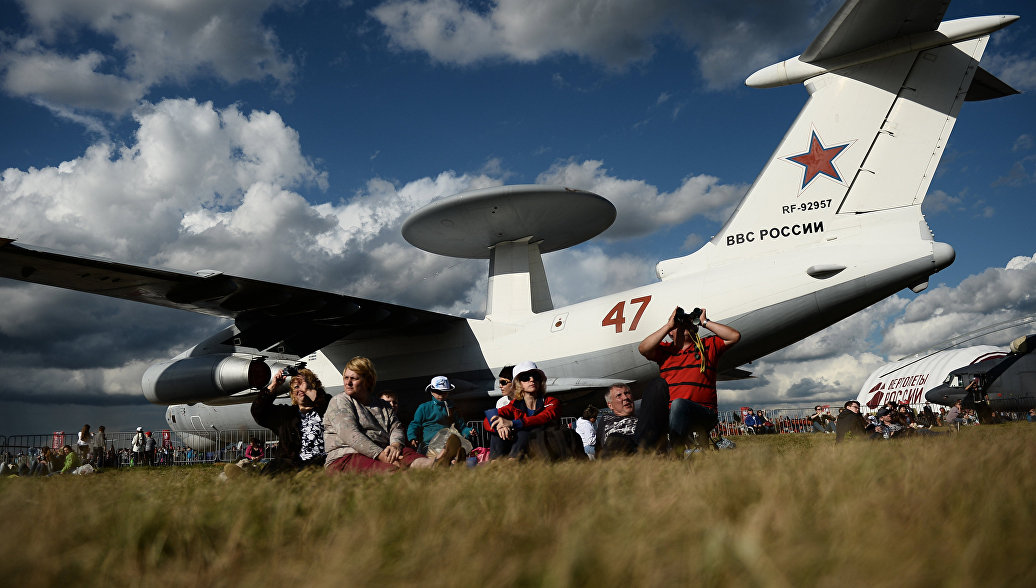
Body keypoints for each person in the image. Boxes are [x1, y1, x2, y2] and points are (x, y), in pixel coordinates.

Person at [324, 357, 455, 474]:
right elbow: (351, 435)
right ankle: (409, 474)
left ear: (368, 381)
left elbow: (396, 427)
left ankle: (436, 464)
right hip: (347, 455)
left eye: (354, 378)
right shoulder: (340, 401)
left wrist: (395, 445)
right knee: (390, 470)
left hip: (385, 450)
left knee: (410, 456)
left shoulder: (383, 405)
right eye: (346, 378)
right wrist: (381, 455)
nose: (348, 382)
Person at [637, 306, 740, 452]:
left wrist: (705, 322)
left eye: (687, 324)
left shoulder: (707, 347)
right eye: (679, 324)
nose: (683, 325)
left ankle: (675, 453)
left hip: (703, 414)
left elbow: (734, 336)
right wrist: (669, 325)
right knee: (651, 398)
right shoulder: (665, 351)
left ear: (695, 329)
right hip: (670, 415)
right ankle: (643, 452)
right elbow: (643, 348)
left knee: (679, 404)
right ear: (670, 334)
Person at [251, 367, 332, 475]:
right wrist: (274, 385)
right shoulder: (286, 414)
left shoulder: (326, 409)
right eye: (296, 387)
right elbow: (258, 411)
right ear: (292, 393)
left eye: (304, 384)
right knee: (274, 468)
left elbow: (327, 404)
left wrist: (308, 390)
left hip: (319, 463)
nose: (300, 389)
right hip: (289, 465)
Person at [482, 360, 560, 460]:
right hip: (524, 446)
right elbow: (488, 419)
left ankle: (512, 462)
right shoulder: (514, 405)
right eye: (525, 378)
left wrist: (512, 423)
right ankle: (496, 464)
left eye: (536, 376)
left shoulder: (551, 402)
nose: (532, 380)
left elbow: (542, 418)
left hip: (547, 445)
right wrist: (499, 426)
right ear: (518, 384)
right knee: (498, 432)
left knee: (523, 432)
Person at [407, 376, 474, 460]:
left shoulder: (452, 407)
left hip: (447, 441)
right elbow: (414, 424)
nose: (441, 395)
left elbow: (462, 426)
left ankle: (451, 458)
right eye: (438, 392)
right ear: (432, 392)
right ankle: (448, 458)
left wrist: (469, 431)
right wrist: (412, 437)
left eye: (445, 392)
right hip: (429, 444)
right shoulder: (423, 408)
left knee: (453, 445)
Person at [595, 384, 639, 458]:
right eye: (619, 395)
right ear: (610, 405)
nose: (625, 398)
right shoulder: (606, 419)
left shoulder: (644, 419)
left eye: (627, 393)